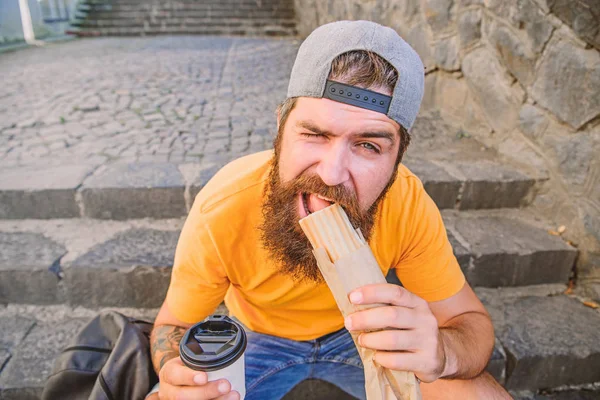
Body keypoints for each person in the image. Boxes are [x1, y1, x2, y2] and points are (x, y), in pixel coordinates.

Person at [147, 20, 511, 400]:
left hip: (364, 335)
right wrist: (176, 371)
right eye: (314, 134)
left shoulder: (407, 203)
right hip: (259, 340)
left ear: (397, 159)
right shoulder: (223, 207)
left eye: (369, 145)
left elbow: (469, 324)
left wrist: (443, 352)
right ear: (280, 129)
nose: (332, 174)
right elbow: (171, 325)